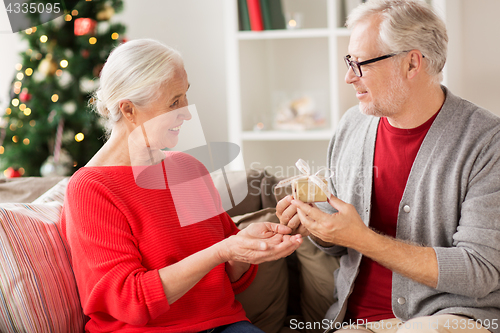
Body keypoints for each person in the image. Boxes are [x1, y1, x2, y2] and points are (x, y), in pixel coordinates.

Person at [276, 0, 500, 332]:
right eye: (349, 61)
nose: (349, 77)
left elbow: (479, 270)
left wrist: (364, 239)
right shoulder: (350, 126)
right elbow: (342, 242)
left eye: (361, 63)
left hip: (448, 318)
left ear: (412, 63)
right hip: (354, 321)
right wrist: (317, 228)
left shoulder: (486, 142)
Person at [60, 39, 303, 333]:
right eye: (174, 102)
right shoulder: (91, 188)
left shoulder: (188, 169)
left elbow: (230, 277)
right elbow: (129, 300)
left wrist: (245, 248)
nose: (187, 112)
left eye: (185, 96)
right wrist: (222, 250)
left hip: (227, 325)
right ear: (128, 110)